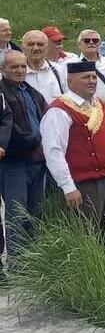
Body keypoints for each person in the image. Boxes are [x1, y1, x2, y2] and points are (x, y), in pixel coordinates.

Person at [40, 61, 105, 226]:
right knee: (86, 233)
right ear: (70, 81)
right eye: (85, 77)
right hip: (83, 184)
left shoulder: (100, 104)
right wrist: (68, 187)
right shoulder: (59, 110)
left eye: (94, 77)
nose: (92, 81)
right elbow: (54, 152)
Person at [0, 50, 47, 262]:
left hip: (37, 160)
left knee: (35, 210)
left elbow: (45, 116)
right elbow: (10, 127)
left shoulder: (31, 91)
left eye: (22, 66)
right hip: (14, 161)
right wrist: (33, 141)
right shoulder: (2, 93)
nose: (20, 70)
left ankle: (33, 261)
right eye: (14, 67)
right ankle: (17, 263)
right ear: (3, 70)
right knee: (16, 212)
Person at [75, 29, 105, 103]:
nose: (91, 43)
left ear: (100, 44)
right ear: (79, 44)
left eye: (95, 40)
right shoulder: (72, 65)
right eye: (86, 41)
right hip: (80, 108)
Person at [22, 30, 65, 102]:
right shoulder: (15, 74)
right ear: (23, 48)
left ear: (47, 48)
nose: (36, 48)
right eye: (31, 44)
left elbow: (69, 101)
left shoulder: (59, 71)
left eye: (40, 44)